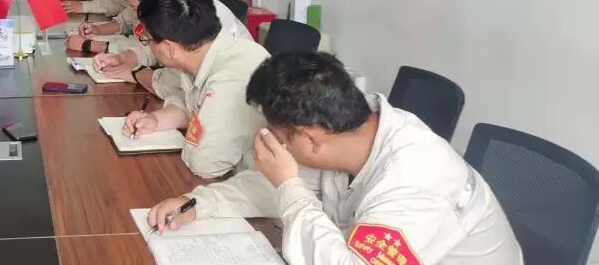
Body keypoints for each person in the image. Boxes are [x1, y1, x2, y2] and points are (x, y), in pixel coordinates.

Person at [149, 52, 523, 265]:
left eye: (280, 139)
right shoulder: (349, 129)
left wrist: (289, 185)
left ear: (309, 138)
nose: (274, 145)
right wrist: (200, 202)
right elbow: (274, 188)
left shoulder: (416, 181)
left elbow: (290, 189)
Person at [121, 0, 269, 178]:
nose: (148, 47)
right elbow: (191, 106)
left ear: (169, 48)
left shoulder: (231, 76)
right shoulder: (201, 53)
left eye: (147, 40)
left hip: (253, 183)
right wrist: (156, 120)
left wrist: (191, 135)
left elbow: (204, 164)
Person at [93, 0, 253, 98]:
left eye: (135, 8)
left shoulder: (190, 16)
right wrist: (123, 58)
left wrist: (137, 72)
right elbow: (156, 46)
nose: (136, 15)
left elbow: (171, 86)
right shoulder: (180, 1)